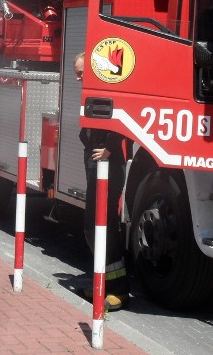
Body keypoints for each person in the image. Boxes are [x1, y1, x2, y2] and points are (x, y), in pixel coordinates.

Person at [74, 51, 130, 311]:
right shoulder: (92, 93)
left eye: (81, 72)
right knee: (92, 227)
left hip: (107, 166)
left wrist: (108, 149)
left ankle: (119, 290)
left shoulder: (109, 92)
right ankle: (102, 283)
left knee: (103, 226)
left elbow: (122, 122)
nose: (78, 78)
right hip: (96, 164)